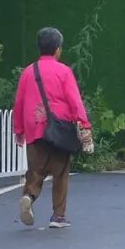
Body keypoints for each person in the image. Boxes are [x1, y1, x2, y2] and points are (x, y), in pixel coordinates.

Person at [13, 27, 93, 229]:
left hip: (34, 128)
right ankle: (58, 216)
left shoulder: (28, 72)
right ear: (58, 49)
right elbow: (74, 101)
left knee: (36, 170)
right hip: (59, 129)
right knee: (61, 172)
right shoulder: (64, 71)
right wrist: (84, 125)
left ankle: (29, 197)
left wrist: (19, 130)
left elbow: (19, 103)